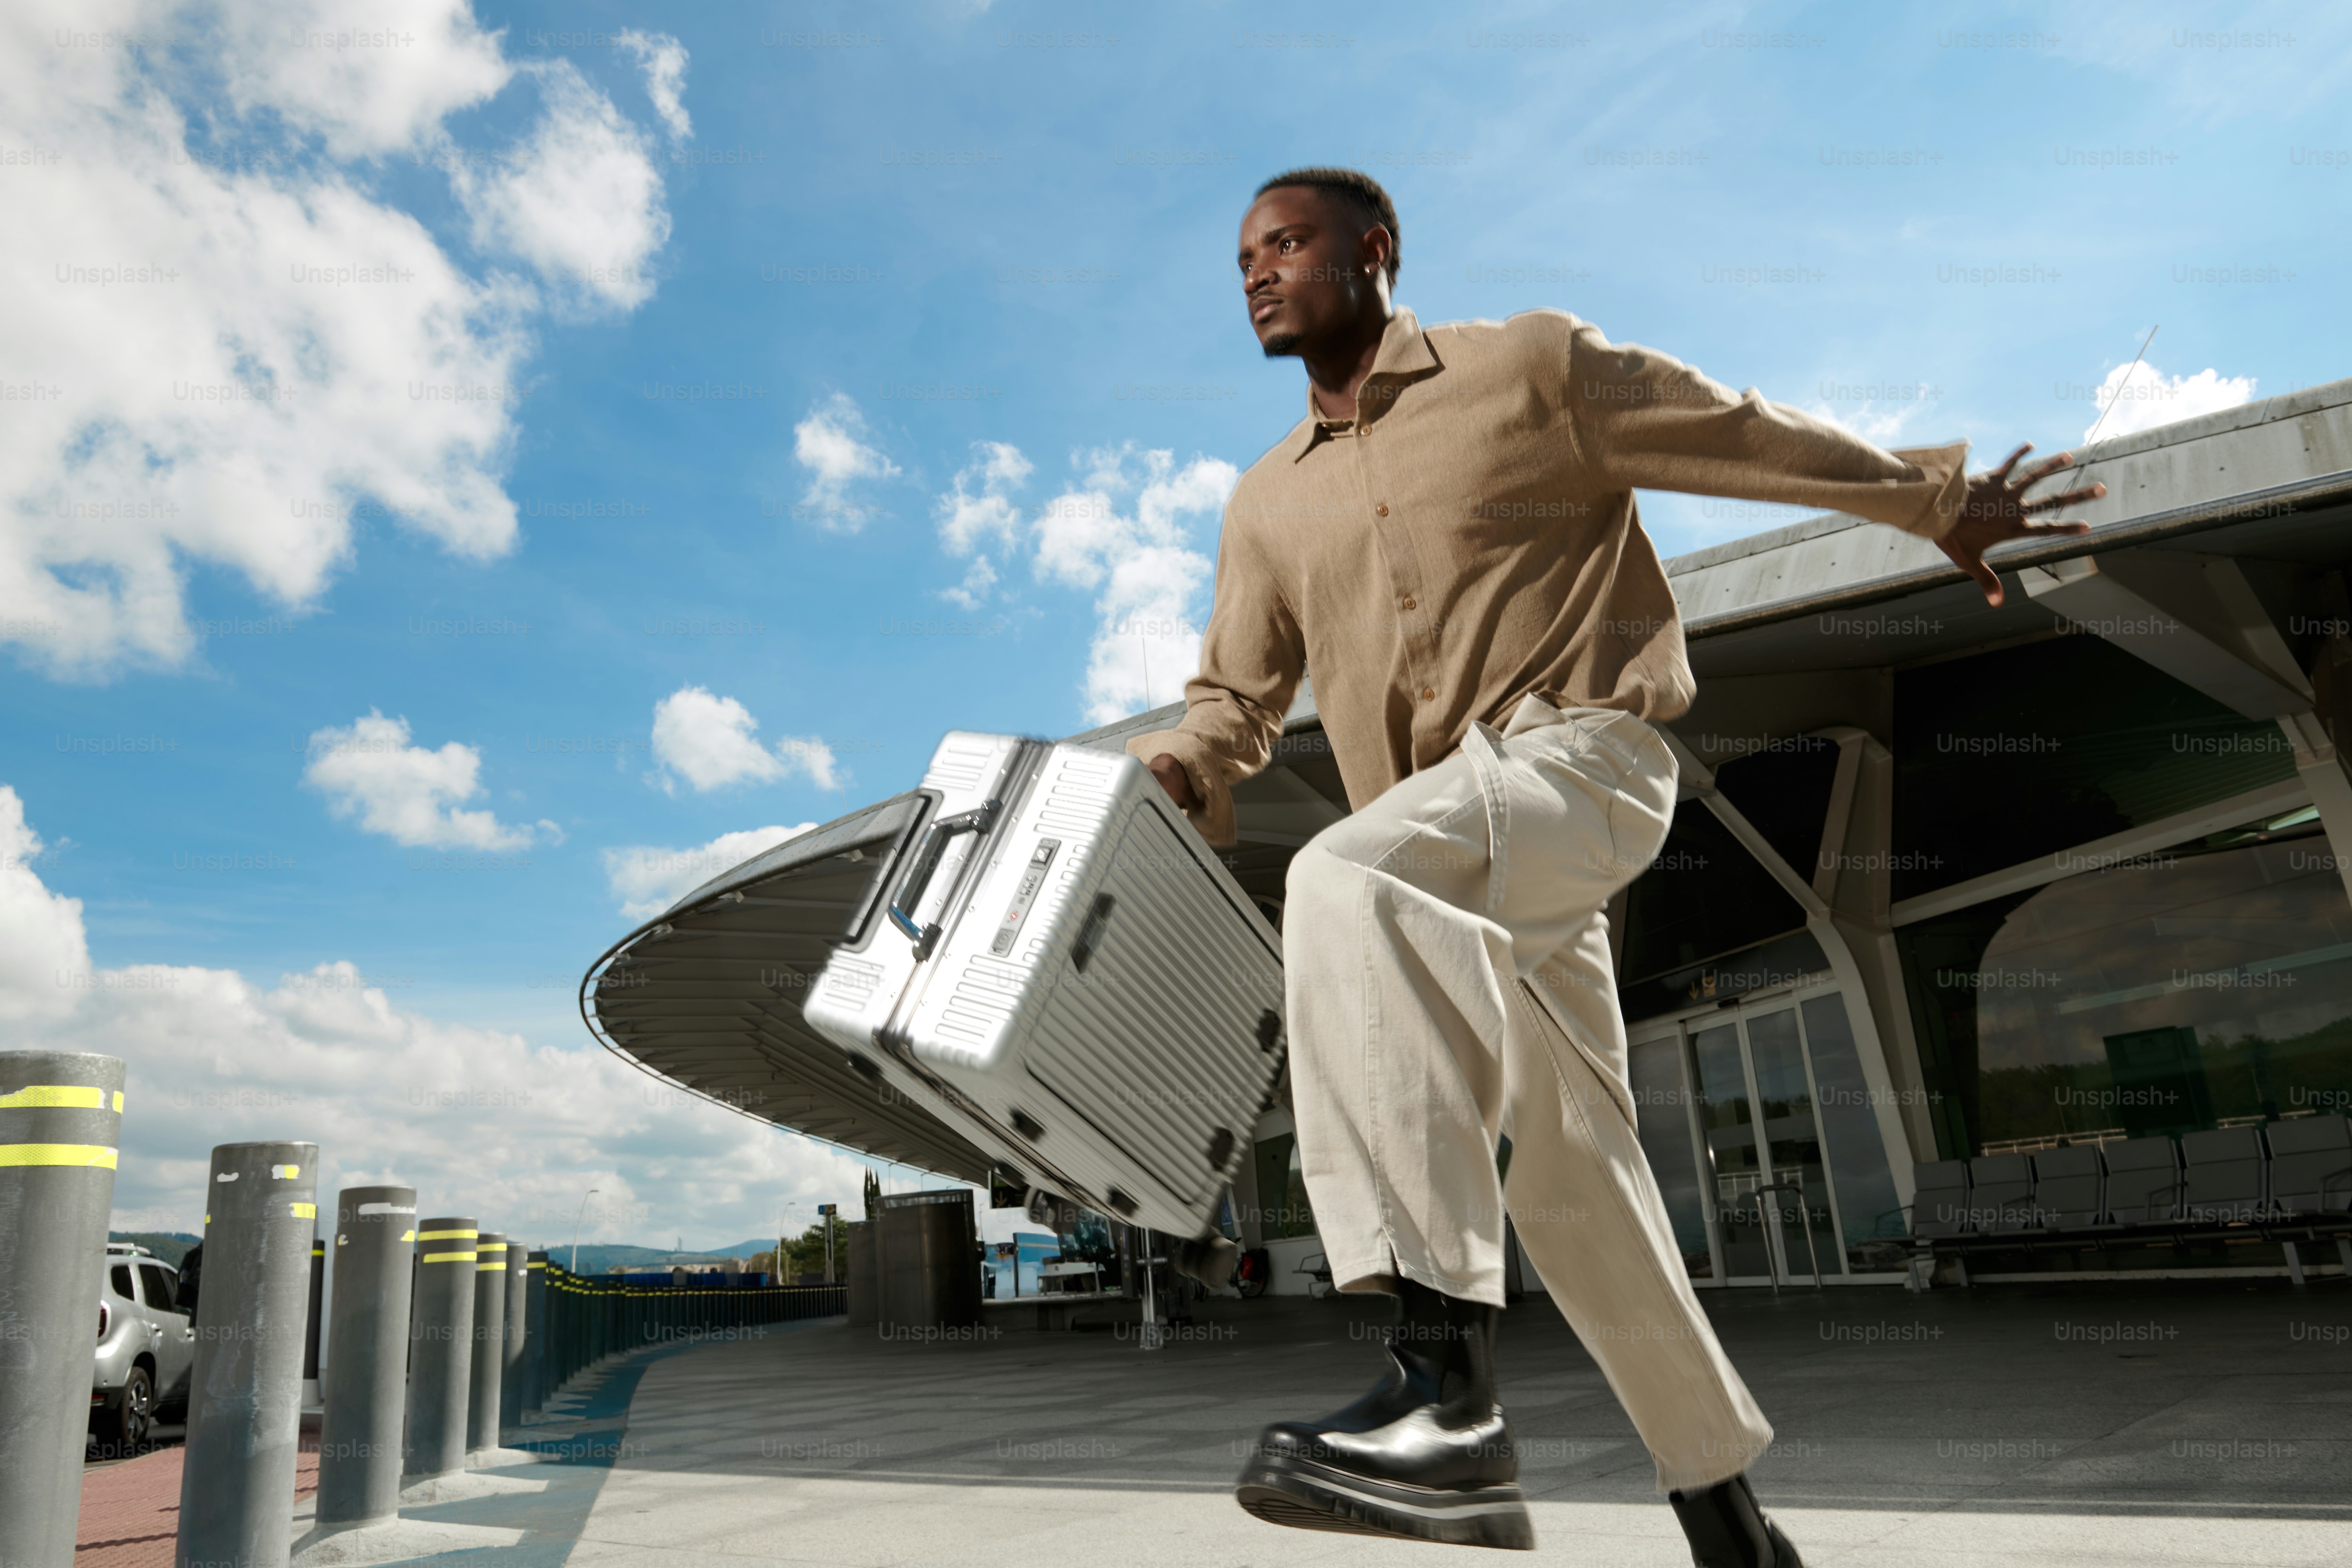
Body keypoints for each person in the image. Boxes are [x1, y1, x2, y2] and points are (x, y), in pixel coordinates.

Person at [1129, 168, 2102, 1563]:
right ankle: (1734, 1524)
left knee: (1340, 881)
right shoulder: (1265, 504)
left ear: (1377, 251)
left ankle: (1442, 1397)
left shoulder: (1530, 369)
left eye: (1286, 245)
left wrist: (1929, 500)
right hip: (1456, 857)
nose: (1258, 274)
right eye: (1242, 260)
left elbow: (1734, 431)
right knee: (1576, 1174)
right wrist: (1179, 765)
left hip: (1579, 763)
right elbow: (1233, 701)